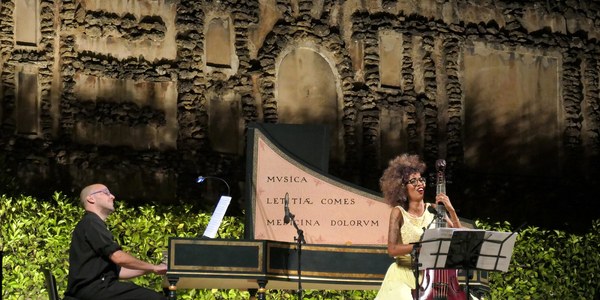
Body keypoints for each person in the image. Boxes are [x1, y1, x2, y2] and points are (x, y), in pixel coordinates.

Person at [375, 154, 462, 300]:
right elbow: (392, 249)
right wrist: (420, 247)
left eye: (421, 179)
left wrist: (451, 210)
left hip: (431, 275)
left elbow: (460, 238)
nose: (419, 184)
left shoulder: (434, 208)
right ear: (402, 187)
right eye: (413, 181)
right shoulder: (399, 213)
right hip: (403, 274)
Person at [65, 183, 168, 300]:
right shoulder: (91, 222)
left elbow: (120, 272)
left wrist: (152, 269)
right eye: (106, 192)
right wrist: (153, 267)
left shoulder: (92, 224)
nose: (112, 196)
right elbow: (118, 257)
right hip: (94, 289)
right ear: (91, 198)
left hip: (97, 289)